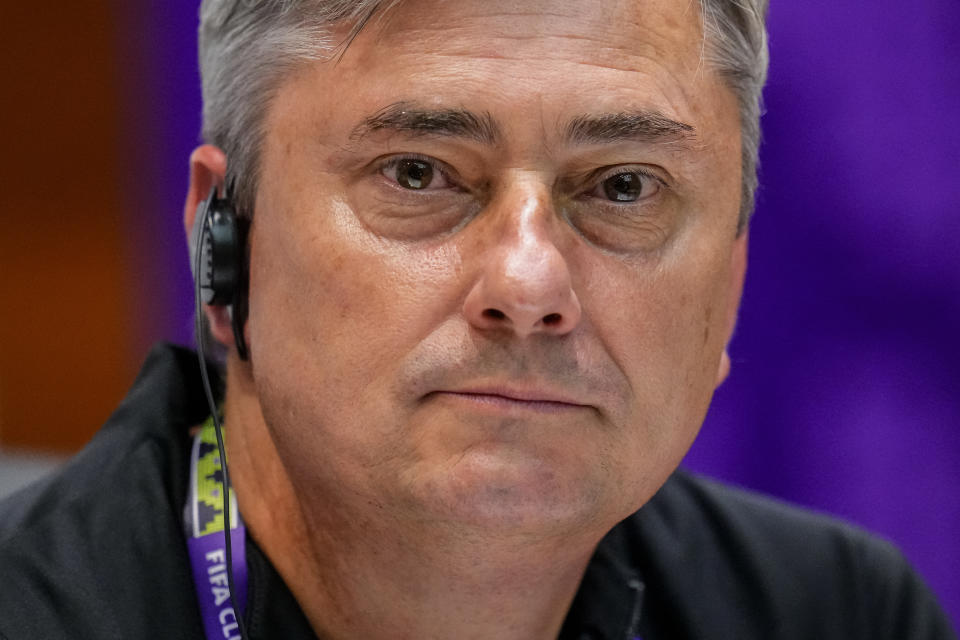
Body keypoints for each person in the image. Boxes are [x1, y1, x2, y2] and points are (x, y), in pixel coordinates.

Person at [0, 0, 955, 638]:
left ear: (733, 283)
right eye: (418, 173)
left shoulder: (838, 612)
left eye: (623, 187)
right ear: (227, 241)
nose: (531, 284)